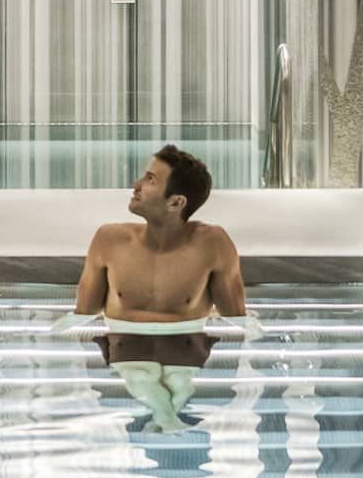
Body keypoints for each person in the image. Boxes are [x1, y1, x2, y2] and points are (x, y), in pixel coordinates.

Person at [56, 145, 261, 432]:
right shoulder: (109, 240)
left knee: (177, 379)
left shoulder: (212, 244)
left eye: (150, 180)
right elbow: (84, 312)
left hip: (184, 343)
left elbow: (235, 316)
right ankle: (167, 419)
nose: (136, 185)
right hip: (125, 342)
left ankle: (163, 417)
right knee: (142, 374)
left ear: (176, 203)